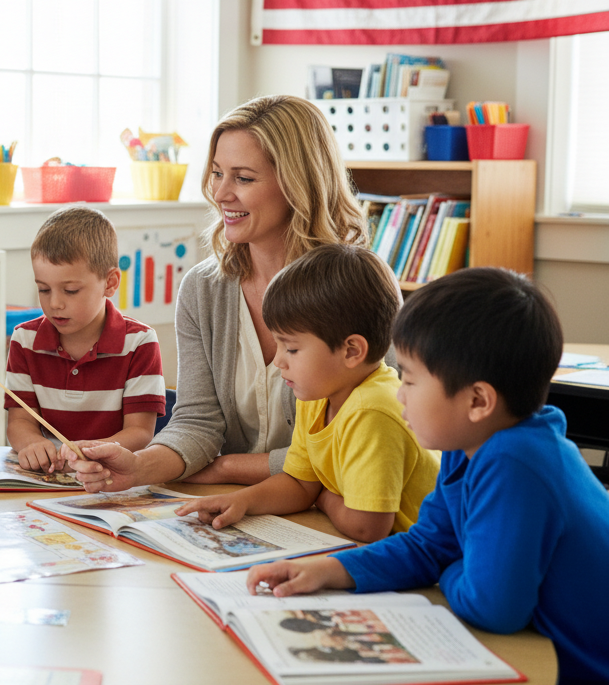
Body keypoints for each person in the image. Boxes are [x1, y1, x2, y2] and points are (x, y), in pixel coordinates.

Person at [246, 268, 609, 684]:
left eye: (412, 381)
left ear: (477, 401)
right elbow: (427, 544)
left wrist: (454, 564)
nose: (400, 394)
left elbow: (494, 609)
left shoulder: (516, 463)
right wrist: (330, 569)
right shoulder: (470, 444)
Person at [65, 95, 370, 491]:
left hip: (337, 507)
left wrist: (227, 469)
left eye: (243, 178)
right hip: (235, 506)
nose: (221, 194)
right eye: (216, 173)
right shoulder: (203, 289)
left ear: (298, 184)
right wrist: (138, 466)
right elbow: (197, 422)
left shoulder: (357, 288)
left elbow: (360, 437)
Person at [178, 245, 438, 543]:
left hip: (425, 557)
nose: (278, 361)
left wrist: (324, 497)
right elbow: (300, 484)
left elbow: (368, 527)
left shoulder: (372, 410)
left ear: (351, 351)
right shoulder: (316, 398)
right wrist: (243, 501)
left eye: (292, 349)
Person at [6, 207, 165, 473]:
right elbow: (19, 421)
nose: (54, 303)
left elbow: (139, 432)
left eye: (70, 290)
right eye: (43, 289)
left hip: (111, 477)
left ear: (110, 283)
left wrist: (91, 451)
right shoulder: (25, 340)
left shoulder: (140, 342)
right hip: (47, 479)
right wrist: (31, 444)